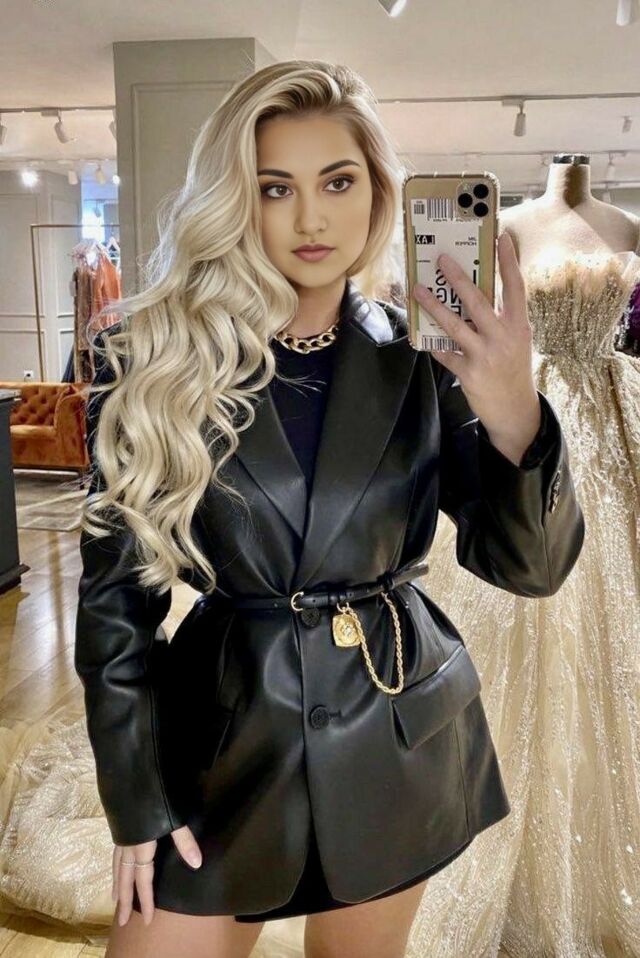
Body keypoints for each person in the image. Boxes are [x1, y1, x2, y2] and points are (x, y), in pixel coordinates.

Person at [74, 59, 585, 958]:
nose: (311, 219)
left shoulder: (425, 357)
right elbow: (116, 606)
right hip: (223, 744)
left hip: (393, 731)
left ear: (379, 192)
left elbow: (530, 569)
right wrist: (136, 801)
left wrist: (513, 410)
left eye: (338, 182)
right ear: (238, 199)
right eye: (276, 187)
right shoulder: (153, 360)